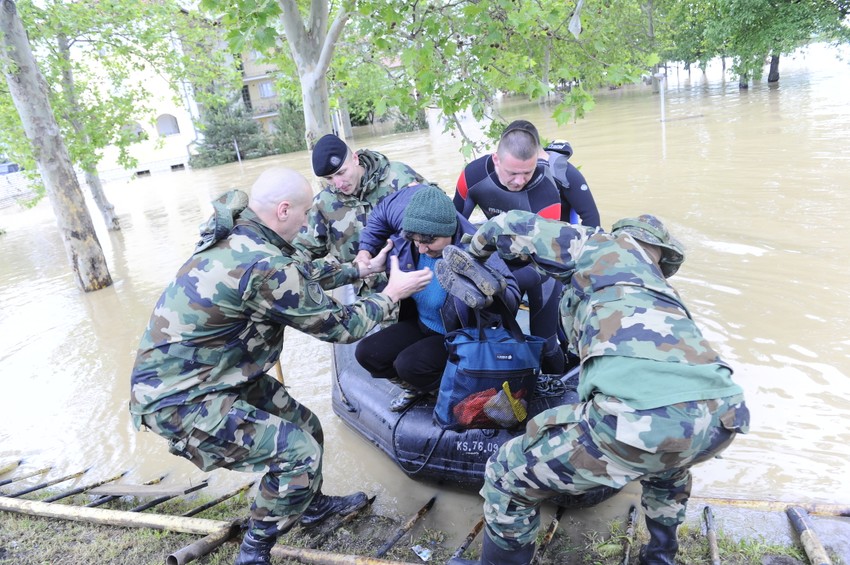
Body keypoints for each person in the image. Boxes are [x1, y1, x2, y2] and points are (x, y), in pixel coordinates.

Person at [128, 167, 432, 565]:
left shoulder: (246, 234)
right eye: (305, 213)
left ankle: (311, 505)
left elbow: (299, 274)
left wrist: (359, 270)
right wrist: (392, 293)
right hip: (180, 399)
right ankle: (254, 552)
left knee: (307, 426)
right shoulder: (263, 264)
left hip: (217, 376)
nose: (308, 221)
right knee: (298, 454)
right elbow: (342, 327)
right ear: (285, 210)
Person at [447, 210, 750, 565]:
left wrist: (474, 254)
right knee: (669, 466)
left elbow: (509, 224)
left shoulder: (600, 245)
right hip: (723, 415)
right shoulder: (665, 292)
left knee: (504, 475)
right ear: (661, 254)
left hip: (635, 417)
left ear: (626, 236)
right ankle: (660, 558)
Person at [354, 185, 521, 412]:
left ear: (449, 232)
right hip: (421, 322)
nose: (421, 249)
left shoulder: (477, 251)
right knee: (367, 353)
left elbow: (512, 294)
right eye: (416, 241)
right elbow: (381, 212)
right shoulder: (412, 228)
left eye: (429, 242)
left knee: (409, 365)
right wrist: (366, 250)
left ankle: (461, 394)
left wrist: (492, 291)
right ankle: (418, 388)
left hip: (456, 334)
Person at [453, 120, 601, 375]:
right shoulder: (473, 175)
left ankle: (557, 380)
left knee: (545, 342)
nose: (519, 181)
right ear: (497, 160)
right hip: (500, 258)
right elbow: (456, 223)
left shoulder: (545, 188)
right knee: (491, 324)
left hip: (540, 268)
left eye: (527, 172)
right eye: (512, 173)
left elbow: (548, 256)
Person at [293, 133, 427, 294]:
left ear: (355, 159)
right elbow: (298, 255)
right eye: (329, 178)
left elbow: (442, 220)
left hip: (418, 285)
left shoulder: (399, 177)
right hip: (372, 302)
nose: (338, 183)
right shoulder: (322, 205)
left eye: (341, 172)